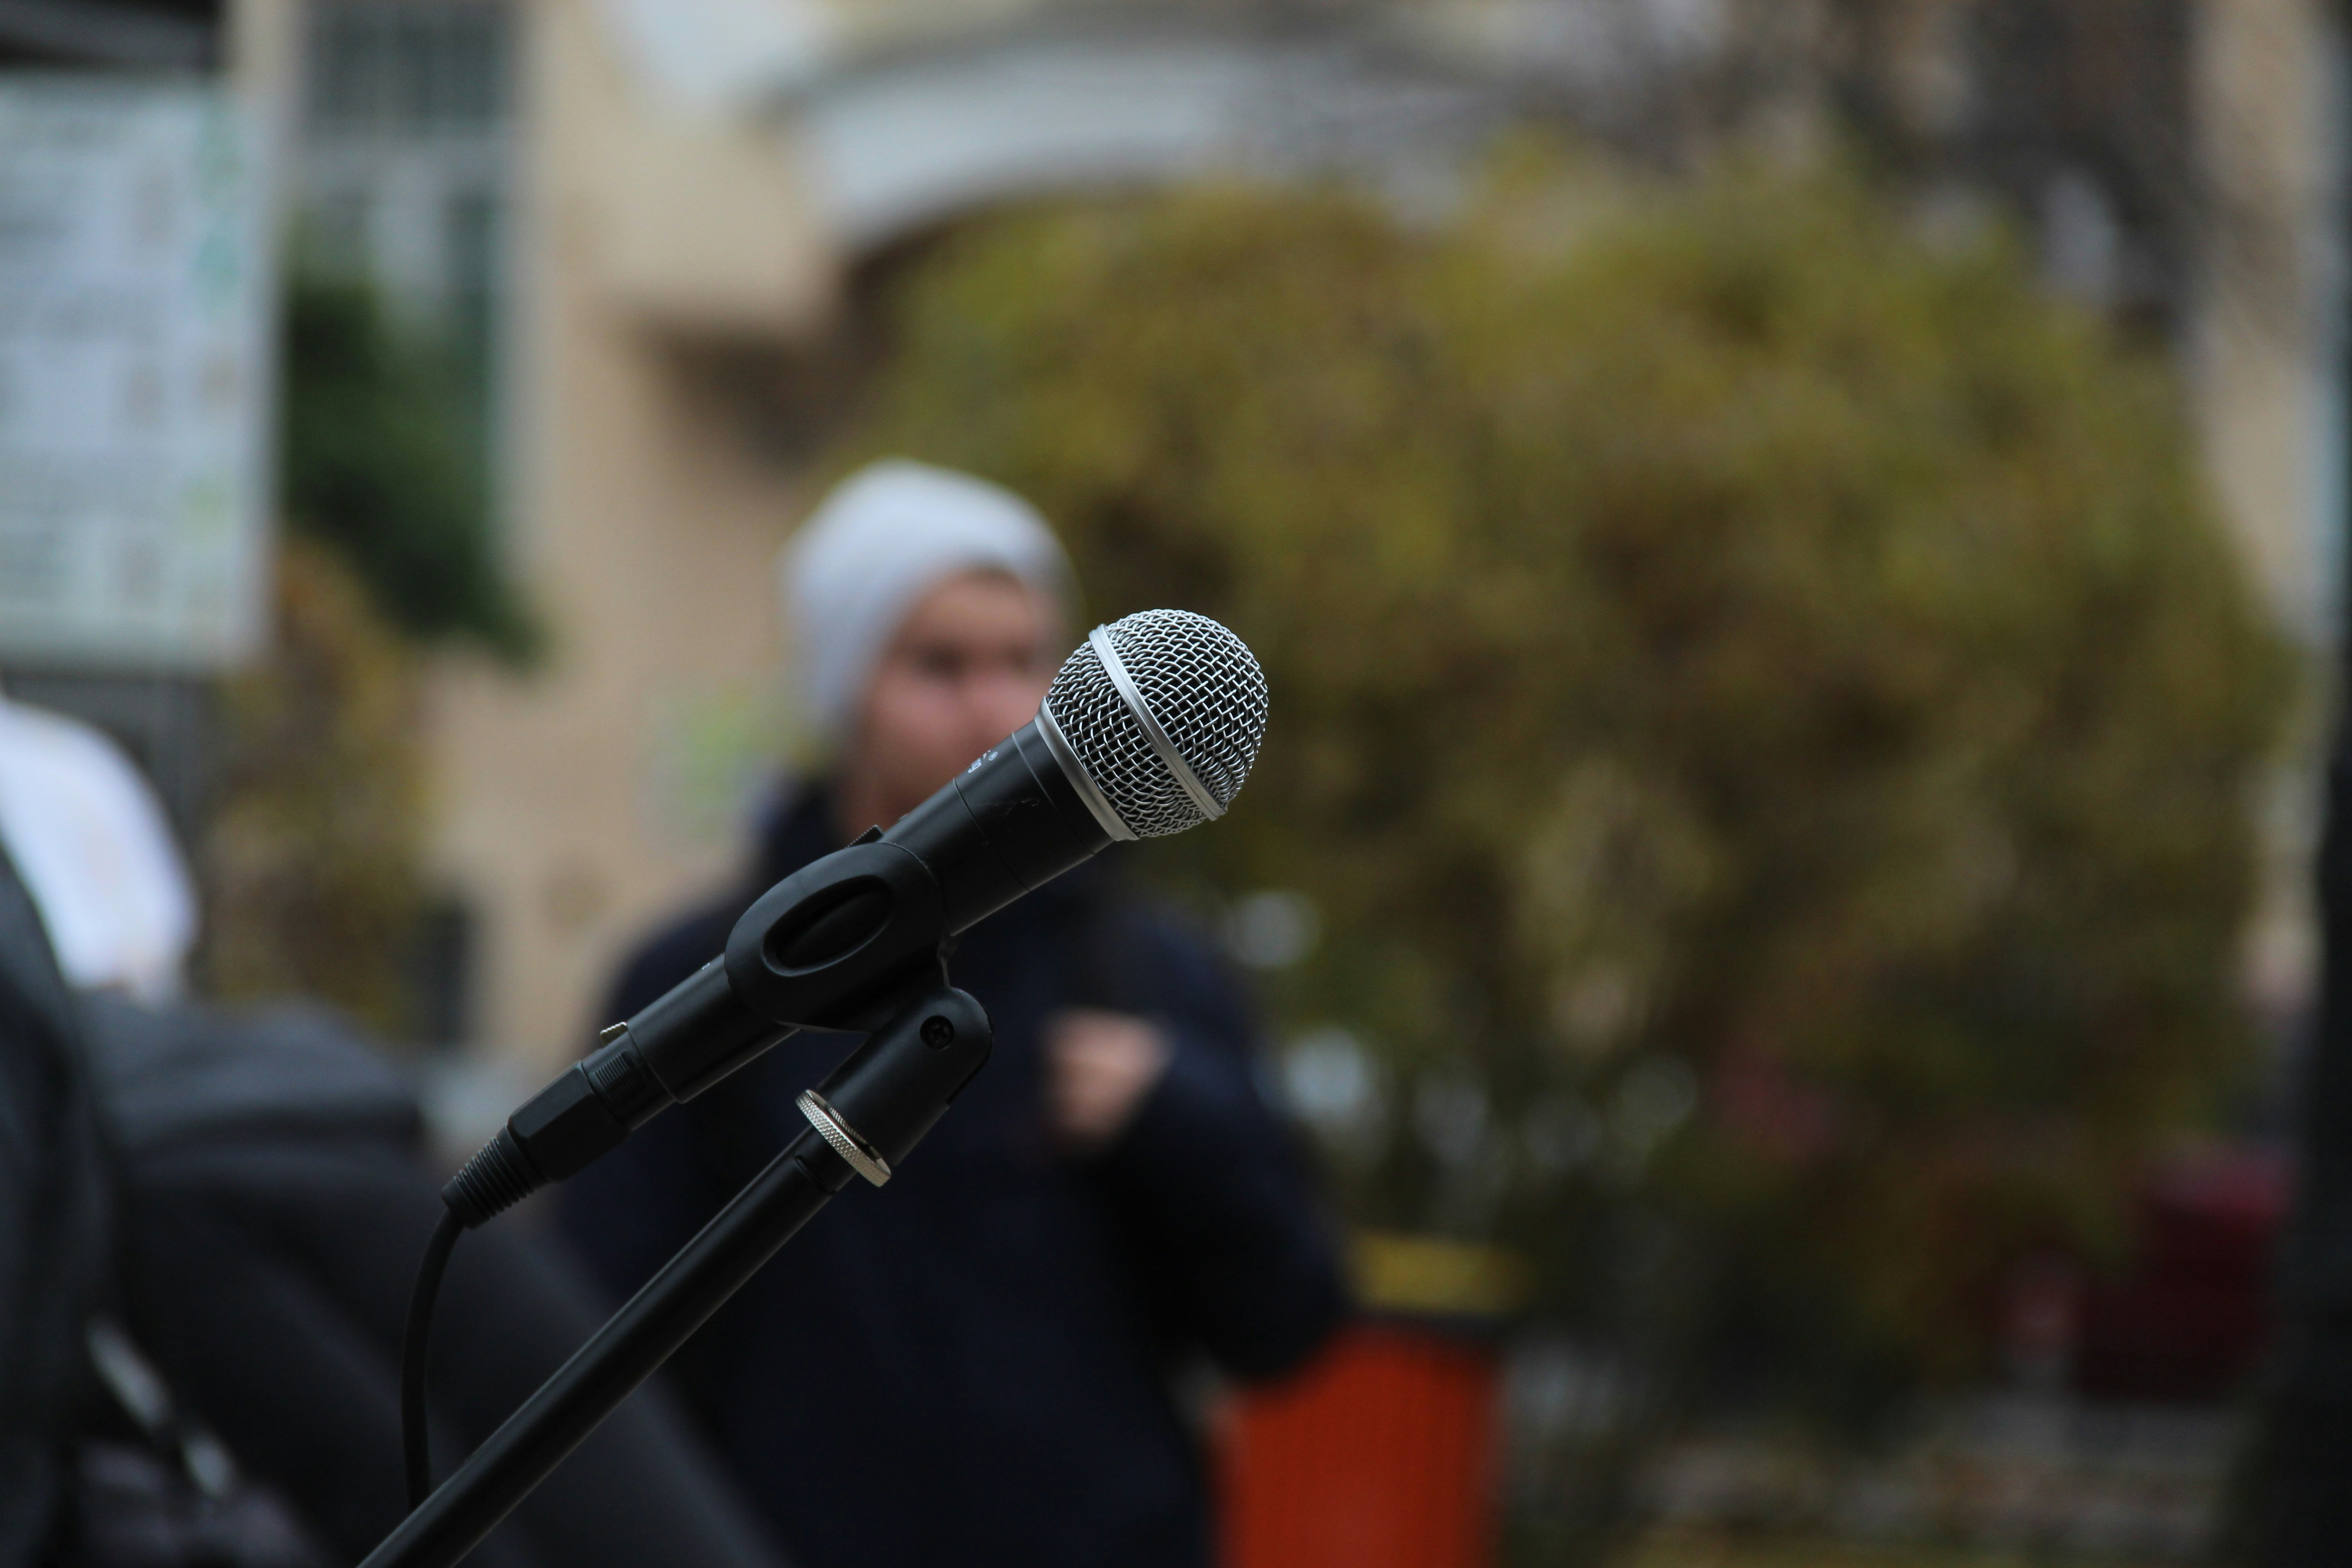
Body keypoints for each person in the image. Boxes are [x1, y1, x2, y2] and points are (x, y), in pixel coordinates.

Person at [558, 460, 1347, 1568]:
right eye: (939, 664)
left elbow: (1289, 1325)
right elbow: (594, 1353)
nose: (994, 705)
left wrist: (1177, 1114)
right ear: (845, 687)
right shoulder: (703, 983)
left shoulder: (1150, 977)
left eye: (1026, 661)